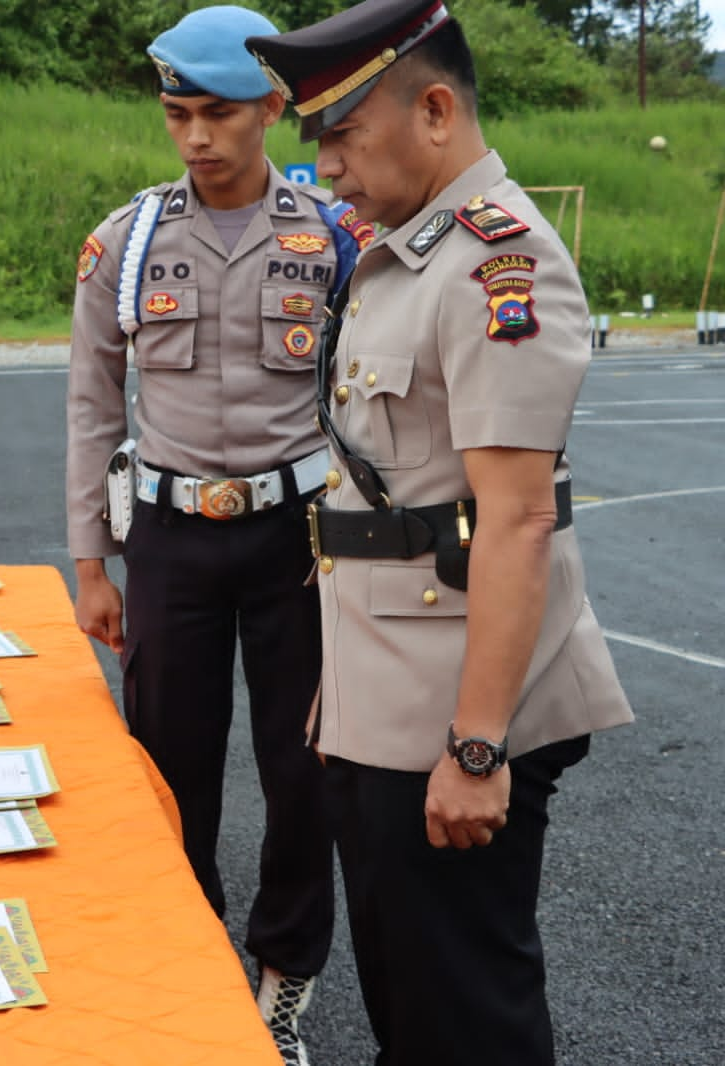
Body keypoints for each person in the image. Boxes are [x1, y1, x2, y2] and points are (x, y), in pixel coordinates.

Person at [245, 3, 634, 1062]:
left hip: (457, 707)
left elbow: (516, 517)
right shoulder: (405, 253)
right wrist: (345, 692)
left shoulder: (499, 263)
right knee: (413, 1004)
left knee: (465, 1013)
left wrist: (477, 744)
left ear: (434, 109)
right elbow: (377, 500)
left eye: (343, 137)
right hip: (387, 687)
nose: (326, 169)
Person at [64, 9, 361, 1062]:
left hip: (301, 540)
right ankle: (186, 971)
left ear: (275, 109)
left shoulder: (331, 233)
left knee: (307, 769)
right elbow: (93, 408)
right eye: (178, 112)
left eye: (221, 113)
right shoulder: (128, 239)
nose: (196, 135)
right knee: (166, 769)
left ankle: (284, 985)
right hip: (171, 542)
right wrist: (91, 564)